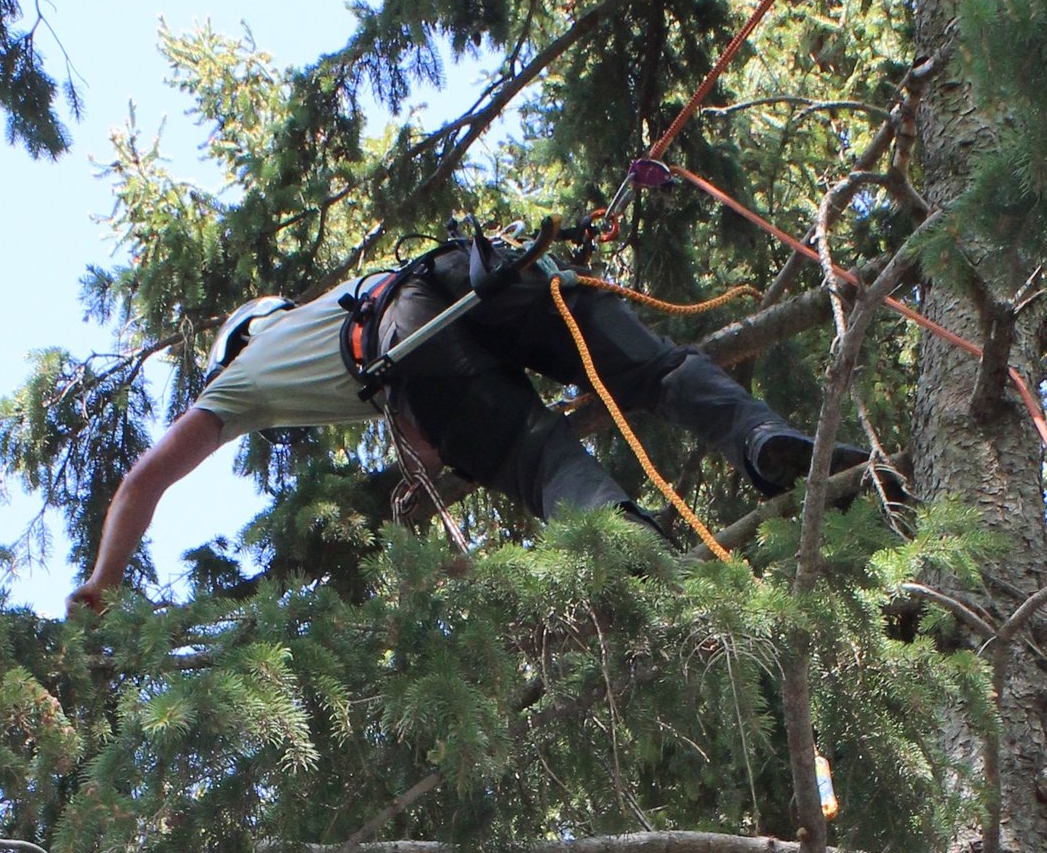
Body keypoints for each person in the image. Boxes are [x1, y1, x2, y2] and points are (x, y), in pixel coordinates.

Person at [72, 235, 853, 607]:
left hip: (408, 348)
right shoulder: (336, 296)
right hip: (468, 274)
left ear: (237, 342)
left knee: (534, 456)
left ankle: (636, 549)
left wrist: (105, 581)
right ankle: (761, 441)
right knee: (656, 370)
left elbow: (147, 479)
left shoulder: (239, 378)